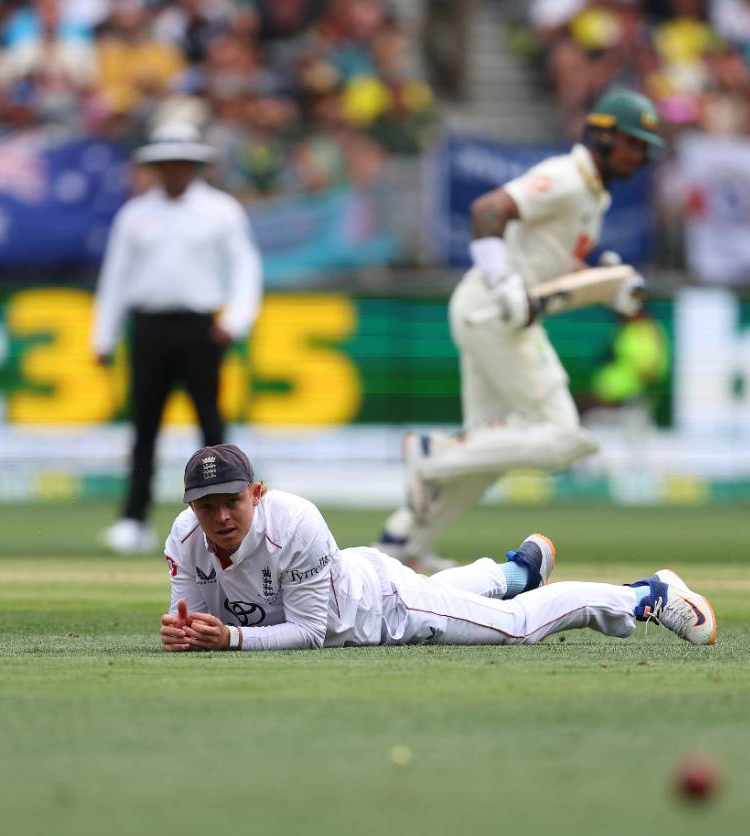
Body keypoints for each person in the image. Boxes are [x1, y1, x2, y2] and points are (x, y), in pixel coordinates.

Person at [375, 88, 660, 570]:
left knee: (487, 451)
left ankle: (403, 545)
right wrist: (502, 279)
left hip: (492, 310)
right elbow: (488, 211)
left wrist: (604, 283)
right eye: (632, 143)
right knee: (564, 436)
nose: (640, 155)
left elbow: (545, 270)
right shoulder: (567, 177)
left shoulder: (591, 192)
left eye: (644, 147)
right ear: (602, 136)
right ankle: (431, 453)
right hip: (495, 312)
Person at [160, 444, 717, 651]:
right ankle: (516, 572)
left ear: (257, 492)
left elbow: (310, 633)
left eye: (231, 500)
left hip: (385, 608)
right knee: (462, 594)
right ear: (190, 508)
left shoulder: (297, 521)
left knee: (518, 628)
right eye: (206, 506)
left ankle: (646, 593)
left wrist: (230, 638)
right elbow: (195, 621)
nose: (220, 516)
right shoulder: (185, 539)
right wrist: (186, 632)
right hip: (359, 582)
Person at [93, 121, 263, 555]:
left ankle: (234, 518)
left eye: (181, 164)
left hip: (201, 327)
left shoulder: (221, 210)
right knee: (144, 427)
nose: (173, 172)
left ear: (194, 166)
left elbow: (245, 268)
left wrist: (237, 320)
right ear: (156, 167)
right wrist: (104, 336)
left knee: (212, 428)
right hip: (148, 326)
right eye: (166, 165)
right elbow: (115, 276)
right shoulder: (135, 214)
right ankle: (134, 519)